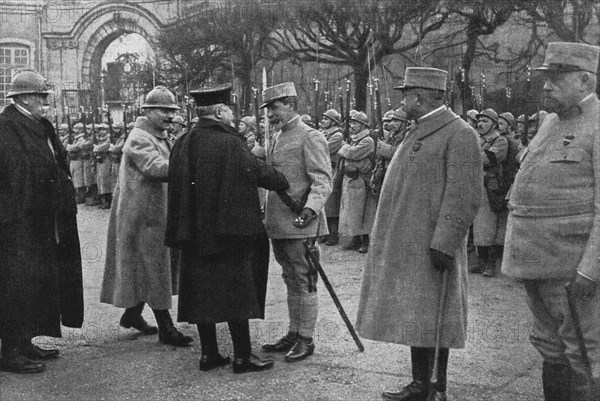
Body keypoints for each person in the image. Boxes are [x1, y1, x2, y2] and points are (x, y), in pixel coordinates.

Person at [356, 67, 482, 401]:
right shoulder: (420, 131)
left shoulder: (459, 134)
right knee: (417, 316)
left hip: (433, 247)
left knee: (436, 318)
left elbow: (465, 194)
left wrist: (445, 243)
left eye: (405, 93)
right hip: (410, 246)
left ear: (421, 96)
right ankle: (419, 384)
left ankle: (435, 388)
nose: (402, 99)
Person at [166, 84, 288, 373]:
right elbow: (256, 172)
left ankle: (209, 354)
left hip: (194, 234)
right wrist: (281, 179)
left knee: (201, 294)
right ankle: (243, 357)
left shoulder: (183, 141)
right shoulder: (229, 142)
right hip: (227, 233)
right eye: (230, 109)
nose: (233, 114)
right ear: (219, 111)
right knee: (237, 294)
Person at [502, 42, 600, 401]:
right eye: (545, 78)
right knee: (549, 346)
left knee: (586, 353)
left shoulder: (598, 125)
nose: (546, 86)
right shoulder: (548, 123)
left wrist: (591, 268)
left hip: (572, 265)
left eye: (557, 78)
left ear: (585, 81)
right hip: (536, 261)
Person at [0, 69, 84, 373]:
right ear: (23, 97)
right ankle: (9, 350)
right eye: (40, 97)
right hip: (17, 221)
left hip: (42, 220)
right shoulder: (7, 126)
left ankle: (24, 341)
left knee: (34, 282)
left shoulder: (38, 125)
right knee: (15, 283)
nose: (45, 103)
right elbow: (15, 174)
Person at [100, 86, 193, 347]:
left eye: (172, 111)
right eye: (164, 111)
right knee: (154, 268)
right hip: (141, 217)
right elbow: (158, 168)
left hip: (152, 214)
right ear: (148, 111)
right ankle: (166, 327)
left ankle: (132, 315)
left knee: (145, 267)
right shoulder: (140, 138)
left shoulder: (158, 135)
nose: (170, 116)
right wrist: (192, 159)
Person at [259, 82, 332, 362]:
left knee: (305, 281)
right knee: (290, 279)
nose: (270, 114)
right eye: (268, 110)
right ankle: (293, 332)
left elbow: (323, 180)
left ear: (290, 104)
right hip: (279, 223)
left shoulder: (310, 136)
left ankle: (306, 338)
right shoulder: (277, 136)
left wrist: (311, 210)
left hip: (302, 223)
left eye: (275, 107)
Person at [471, 108, 508, 277]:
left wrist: (469, 156)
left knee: (490, 226)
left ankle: (490, 264)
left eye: (485, 121)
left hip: (491, 187)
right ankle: (481, 261)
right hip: (478, 184)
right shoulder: (478, 140)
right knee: (478, 226)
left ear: (493, 124)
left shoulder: (500, 141)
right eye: (479, 121)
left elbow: (487, 159)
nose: (480, 123)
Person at [338, 111, 377, 253]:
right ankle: (355, 239)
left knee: (362, 212)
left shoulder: (367, 140)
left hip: (361, 179)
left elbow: (352, 153)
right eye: (351, 123)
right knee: (351, 210)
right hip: (350, 178)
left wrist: (344, 148)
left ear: (362, 125)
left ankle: (365, 241)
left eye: (355, 123)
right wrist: (347, 148)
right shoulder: (354, 139)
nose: (352, 126)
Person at [319, 108, 344, 246]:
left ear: (333, 122)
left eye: (326, 119)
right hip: (324, 169)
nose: (323, 121)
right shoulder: (323, 133)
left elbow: (324, 149)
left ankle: (333, 234)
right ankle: (325, 233)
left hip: (333, 170)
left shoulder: (337, 135)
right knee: (324, 203)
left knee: (332, 204)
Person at [93, 123, 112, 209]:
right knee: (100, 179)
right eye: (100, 130)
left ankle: (107, 201)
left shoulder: (109, 138)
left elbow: (102, 147)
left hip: (107, 160)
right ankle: (103, 201)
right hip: (99, 160)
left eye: (104, 129)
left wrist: (96, 147)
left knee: (105, 180)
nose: (102, 131)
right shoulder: (98, 139)